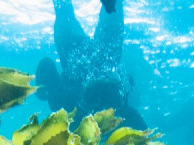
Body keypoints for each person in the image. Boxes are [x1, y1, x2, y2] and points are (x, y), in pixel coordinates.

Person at [36, 0, 146, 128]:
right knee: (65, 11)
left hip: (84, 56)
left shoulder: (67, 107)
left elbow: (46, 65)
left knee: (65, 11)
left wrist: (43, 89)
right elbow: (46, 66)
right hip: (87, 56)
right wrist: (43, 90)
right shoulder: (68, 111)